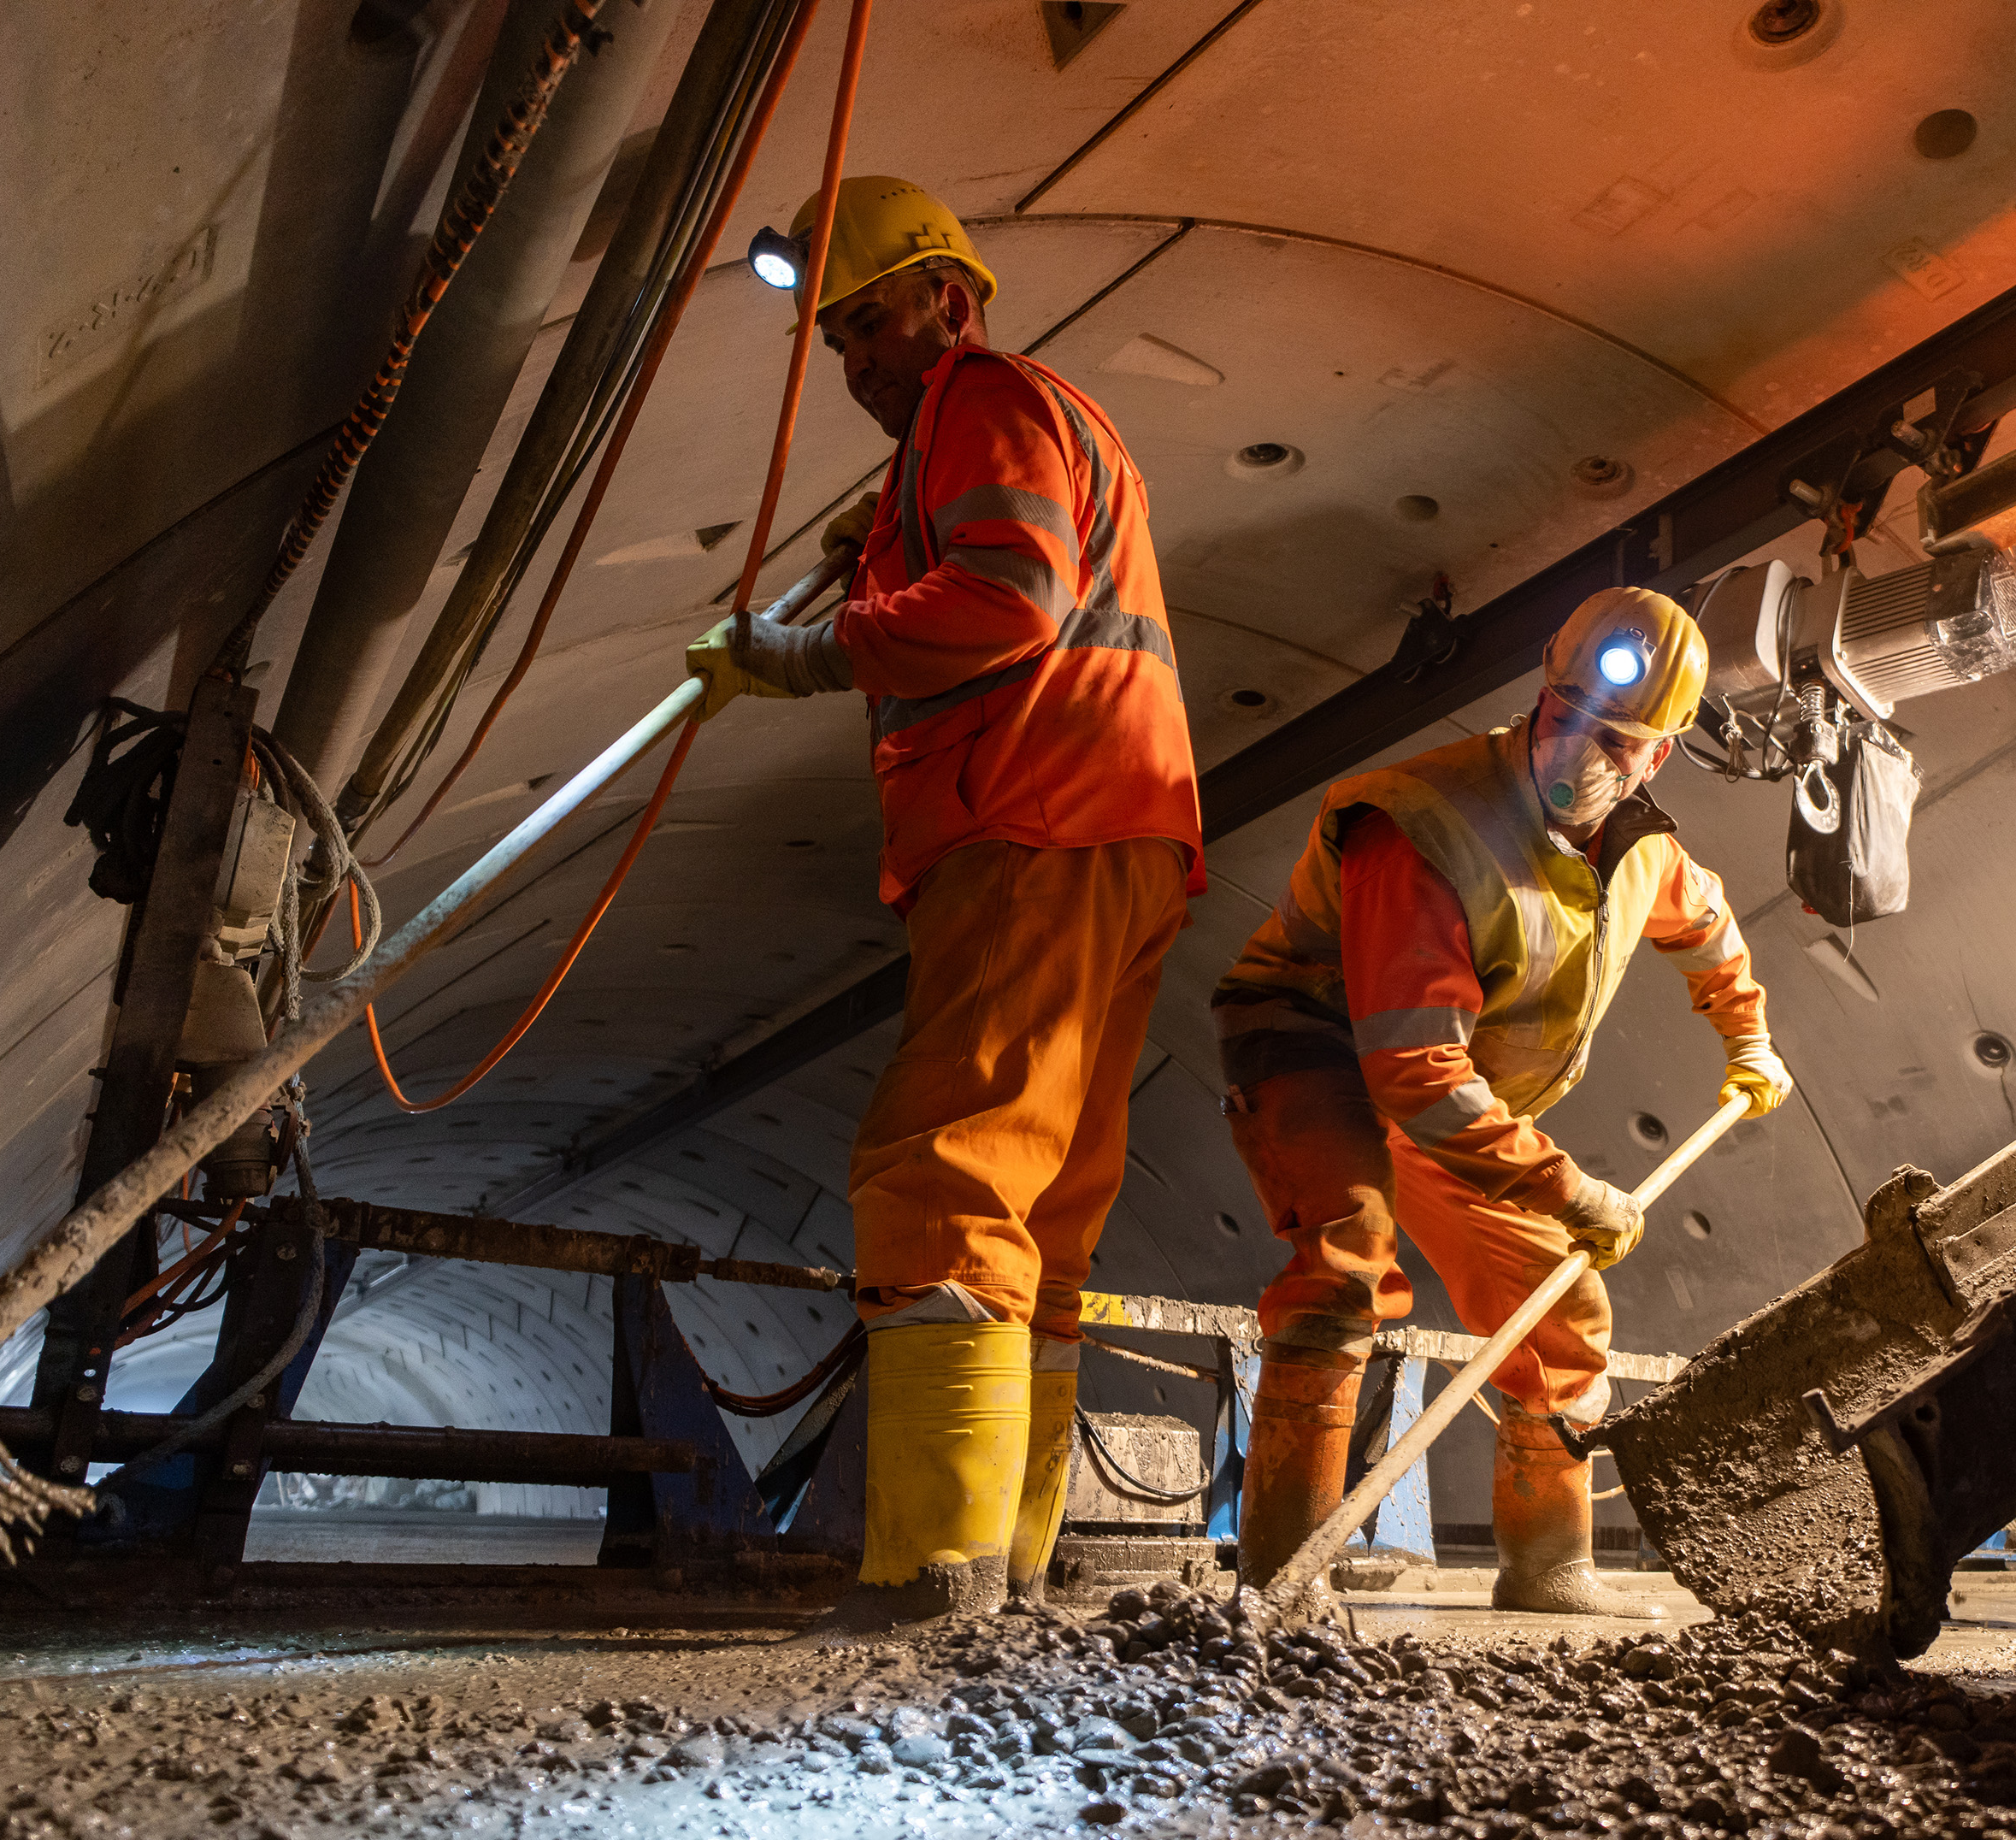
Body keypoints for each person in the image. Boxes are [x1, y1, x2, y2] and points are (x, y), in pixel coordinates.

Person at [685, 178, 1201, 1635]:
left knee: (944, 1164)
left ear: (951, 303)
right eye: (838, 340)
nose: (858, 363)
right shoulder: (1027, 424)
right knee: (1049, 1205)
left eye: (872, 323)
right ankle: (1013, 1562)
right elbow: (1009, 575)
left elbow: (1011, 600)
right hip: (1122, 827)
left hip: (1033, 816)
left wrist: (797, 653)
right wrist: (887, 547)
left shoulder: (983, 396)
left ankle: (932, 1567)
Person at [1211, 589, 1791, 1613]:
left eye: (1616, 737)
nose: (1580, 747)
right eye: (1567, 710)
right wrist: (1570, 1188)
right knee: (1348, 1256)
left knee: (1563, 1303)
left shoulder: (1637, 845)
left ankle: (1549, 1564)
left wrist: (1748, 1038)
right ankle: (1282, 1580)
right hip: (1320, 1046)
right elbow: (1415, 1077)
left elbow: (1705, 926)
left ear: (1656, 758)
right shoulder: (1427, 829)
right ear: (1542, 687)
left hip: (1450, 1085)